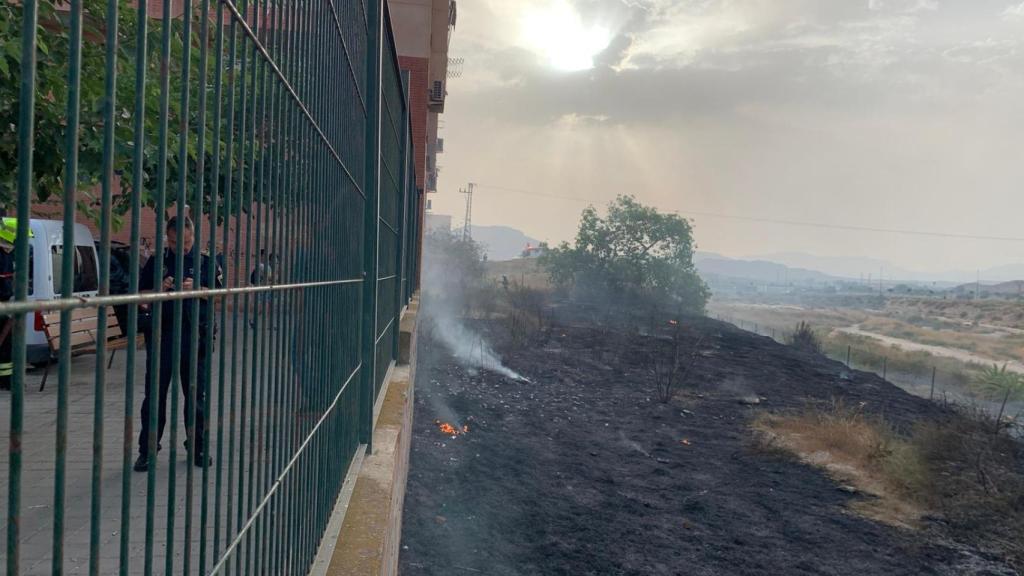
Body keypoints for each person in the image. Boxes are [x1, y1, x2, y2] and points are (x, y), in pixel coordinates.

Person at [134, 217, 222, 471]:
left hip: (195, 338)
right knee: (155, 395)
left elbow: (219, 296)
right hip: (162, 337)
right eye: (174, 242)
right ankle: (148, 449)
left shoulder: (206, 262)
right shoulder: (157, 262)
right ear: (167, 238)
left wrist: (198, 289)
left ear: (193, 236)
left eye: (185, 242)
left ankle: (198, 446)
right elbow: (141, 296)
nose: (180, 247)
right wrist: (160, 289)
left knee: (196, 396)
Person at [0, 218, 17, 391]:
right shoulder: (5, 254)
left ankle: (6, 380)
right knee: (5, 344)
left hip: (6, 303)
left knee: (6, 344)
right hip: (3, 303)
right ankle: (6, 380)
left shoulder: (8, 254)